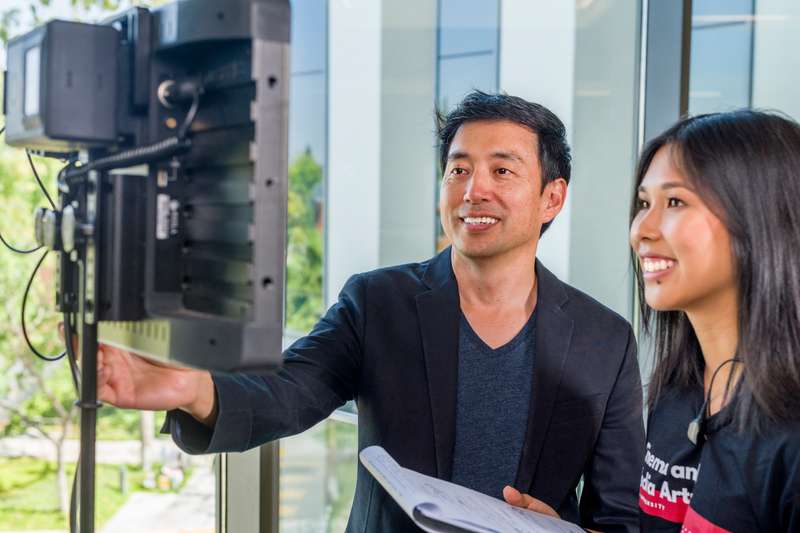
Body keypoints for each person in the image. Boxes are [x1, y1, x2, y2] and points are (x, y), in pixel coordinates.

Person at [95, 91, 644, 532]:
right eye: (458, 170)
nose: (474, 190)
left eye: (503, 171)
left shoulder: (606, 341)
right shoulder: (377, 303)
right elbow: (289, 390)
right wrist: (194, 390)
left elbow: (620, 517)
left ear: (552, 197)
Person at [508, 110, 800, 531]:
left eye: (676, 202)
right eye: (644, 203)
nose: (640, 229)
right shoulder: (677, 396)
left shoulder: (787, 431)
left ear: (761, 219)